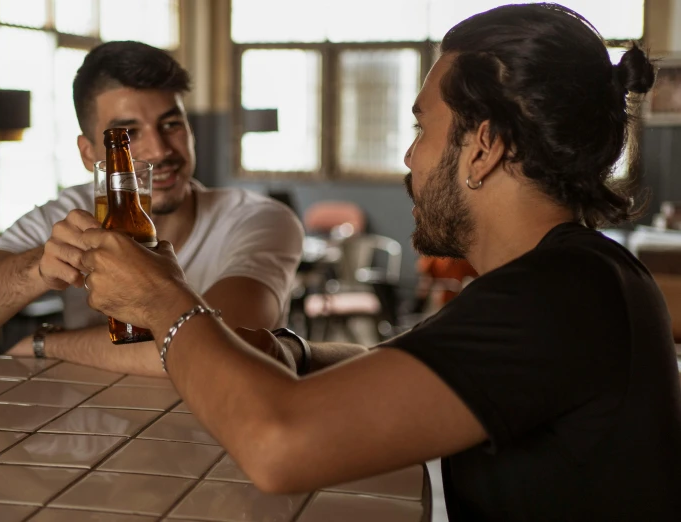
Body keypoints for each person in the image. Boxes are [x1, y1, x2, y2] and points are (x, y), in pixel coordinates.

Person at [66, 4, 681, 521]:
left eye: (422, 130)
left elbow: (278, 448)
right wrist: (294, 351)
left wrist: (163, 299)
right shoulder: (572, 278)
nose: (409, 160)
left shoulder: (558, 298)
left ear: (484, 148)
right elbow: (406, 362)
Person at [0, 41, 304, 376]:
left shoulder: (258, 218)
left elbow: (228, 345)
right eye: (129, 134)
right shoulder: (68, 215)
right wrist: (39, 266)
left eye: (171, 124)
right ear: (89, 154)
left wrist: (49, 345)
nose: (159, 151)